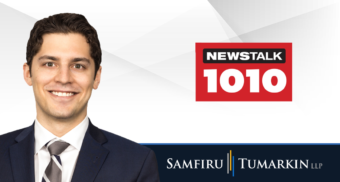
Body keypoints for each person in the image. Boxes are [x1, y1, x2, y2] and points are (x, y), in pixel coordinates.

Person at [0, 13, 160, 182]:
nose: (63, 78)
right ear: (28, 74)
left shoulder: (136, 163)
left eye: (78, 66)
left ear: (96, 77)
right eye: (49, 64)